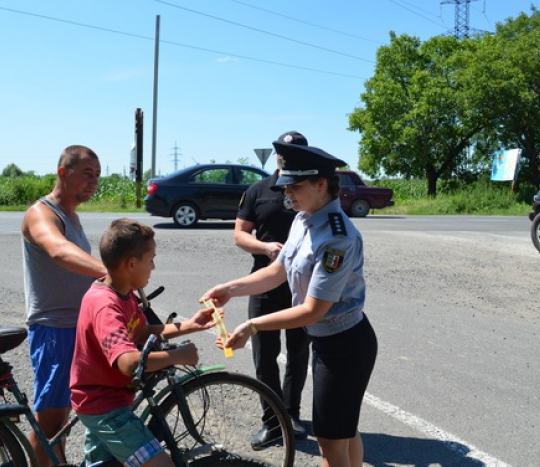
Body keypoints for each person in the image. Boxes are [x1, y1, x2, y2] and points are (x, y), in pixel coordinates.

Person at [203, 141, 378, 467]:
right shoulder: (303, 218)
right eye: (285, 186)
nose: (288, 194)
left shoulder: (337, 237)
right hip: (329, 342)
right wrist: (230, 288)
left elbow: (313, 309)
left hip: (344, 347)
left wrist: (252, 325)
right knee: (344, 432)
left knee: (330, 443)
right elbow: (276, 271)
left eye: (295, 186)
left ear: (321, 184)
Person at [70, 218, 217, 467]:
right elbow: (128, 363)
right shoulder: (106, 305)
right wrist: (178, 356)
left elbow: (141, 331)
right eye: (151, 260)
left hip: (108, 401)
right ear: (131, 264)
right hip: (105, 406)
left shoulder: (121, 291)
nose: (153, 267)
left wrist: (189, 325)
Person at [21, 144, 108, 466]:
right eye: (87, 174)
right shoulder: (42, 214)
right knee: (51, 423)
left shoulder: (72, 214)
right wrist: (111, 273)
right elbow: (58, 250)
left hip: (78, 327)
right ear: (62, 172)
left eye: (97, 176)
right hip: (55, 330)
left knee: (65, 420)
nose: (94, 182)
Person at [234, 130, 311, 446]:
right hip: (265, 281)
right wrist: (264, 247)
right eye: (284, 153)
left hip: (302, 285)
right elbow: (240, 234)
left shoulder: (311, 191)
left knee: (298, 352)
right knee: (265, 354)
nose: (288, 158)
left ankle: (291, 415)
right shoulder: (257, 191)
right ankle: (272, 420)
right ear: (277, 156)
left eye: (295, 154)